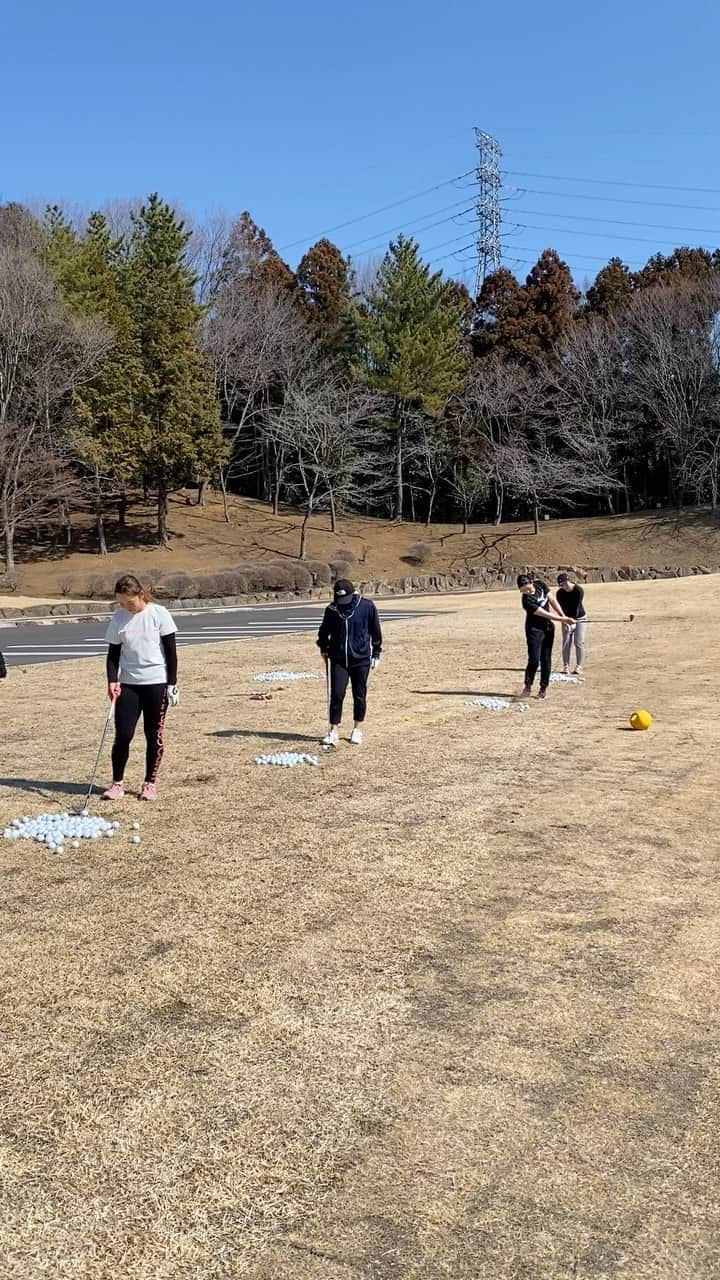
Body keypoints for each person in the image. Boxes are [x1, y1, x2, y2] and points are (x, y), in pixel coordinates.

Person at [102, 574, 179, 801]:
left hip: (156, 683)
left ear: (140, 595)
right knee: (123, 735)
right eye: (121, 603)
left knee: (152, 734)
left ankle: (149, 783)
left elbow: (171, 652)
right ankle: (117, 784)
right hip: (129, 685)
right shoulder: (118, 618)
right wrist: (112, 680)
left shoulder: (159, 614)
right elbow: (113, 654)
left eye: (129, 602)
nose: (126, 607)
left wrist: (172, 684)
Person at [317, 578, 382, 746]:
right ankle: (333, 730)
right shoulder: (332, 609)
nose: (342, 604)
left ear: (353, 594)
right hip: (338, 659)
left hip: (360, 659)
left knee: (359, 695)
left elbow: (376, 632)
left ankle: (357, 729)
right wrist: (323, 648)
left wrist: (376, 653)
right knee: (337, 694)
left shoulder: (366, 606)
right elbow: (324, 632)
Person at [516, 574, 574, 700]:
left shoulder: (540, 585)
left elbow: (552, 600)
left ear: (531, 582)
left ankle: (543, 688)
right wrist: (563, 620)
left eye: (527, 588)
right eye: (523, 590)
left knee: (546, 659)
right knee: (534, 660)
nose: (526, 591)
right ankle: (528, 685)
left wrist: (563, 616)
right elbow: (545, 614)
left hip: (548, 629)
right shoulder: (526, 601)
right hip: (534, 630)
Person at [556, 572, 587, 675]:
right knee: (566, 642)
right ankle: (566, 666)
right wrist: (566, 621)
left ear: (568, 581)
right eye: (561, 585)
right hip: (566, 619)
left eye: (564, 584)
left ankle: (579, 667)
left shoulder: (578, 590)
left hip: (580, 618)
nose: (563, 587)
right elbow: (561, 609)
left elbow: (576, 607)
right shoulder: (560, 593)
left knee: (578, 642)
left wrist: (573, 622)